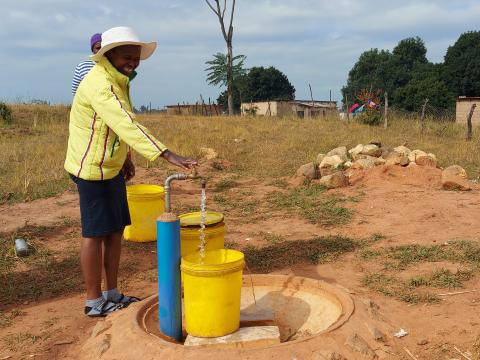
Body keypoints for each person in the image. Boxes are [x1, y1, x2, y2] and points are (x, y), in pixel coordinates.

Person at [64, 26, 197, 317]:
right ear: (108, 55)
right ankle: (94, 301)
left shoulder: (119, 78)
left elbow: (113, 126)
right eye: (127, 57)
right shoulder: (100, 83)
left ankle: (112, 293)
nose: (133, 63)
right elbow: (126, 123)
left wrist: (125, 158)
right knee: (94, 234)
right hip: (91, 169)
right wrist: (168, 154)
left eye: (136, 58)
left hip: (110, 167)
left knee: (115, 231)